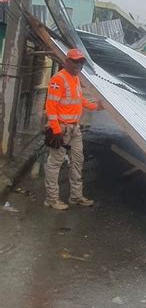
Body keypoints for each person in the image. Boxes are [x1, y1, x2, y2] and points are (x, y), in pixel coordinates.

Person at [44, 48, 103, 210]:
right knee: (55, 164)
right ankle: (51, 198)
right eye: (75, 61)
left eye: (81, 62)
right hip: (62, 129)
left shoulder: (75, 79)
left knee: (78, 161)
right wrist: (56, 129)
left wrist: (95, 107)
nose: (78, 64)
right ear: (67, 61)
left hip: (74, 129)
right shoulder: (59, 79)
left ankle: (76, 196)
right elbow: (51, 106)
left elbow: (79, 100)